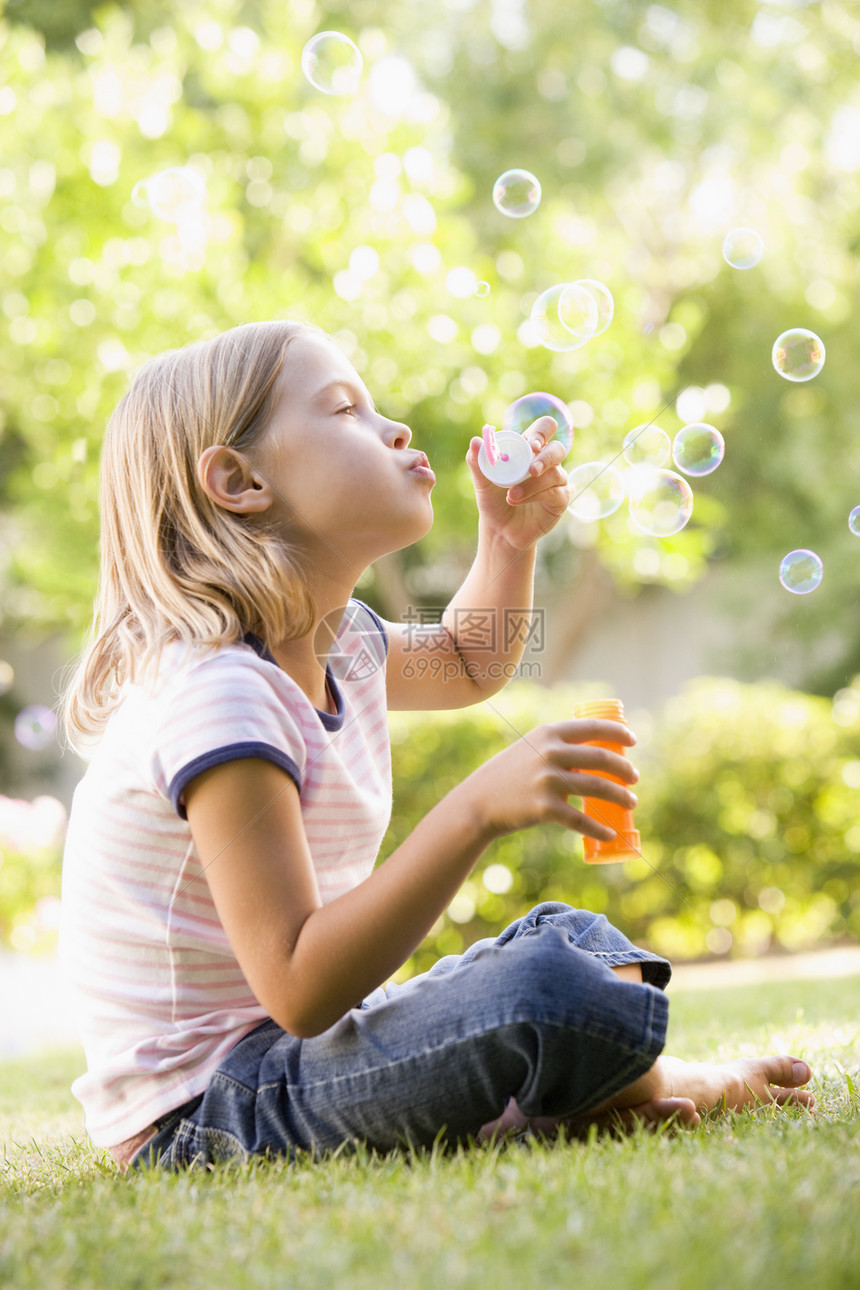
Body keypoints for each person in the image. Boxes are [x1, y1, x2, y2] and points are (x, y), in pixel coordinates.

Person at [58, 319, 814, 1172]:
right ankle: (667, 1082)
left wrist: (508, 541)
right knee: (549, 988)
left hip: (299, 1064)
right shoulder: (219, 694)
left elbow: (467, 662)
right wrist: (474, 811)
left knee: (573, 941)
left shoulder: (339, 644)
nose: (396, 429)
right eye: (345, 409)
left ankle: (565, 1093)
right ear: (239, 480)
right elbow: (301, 986)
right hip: (205, 1114)